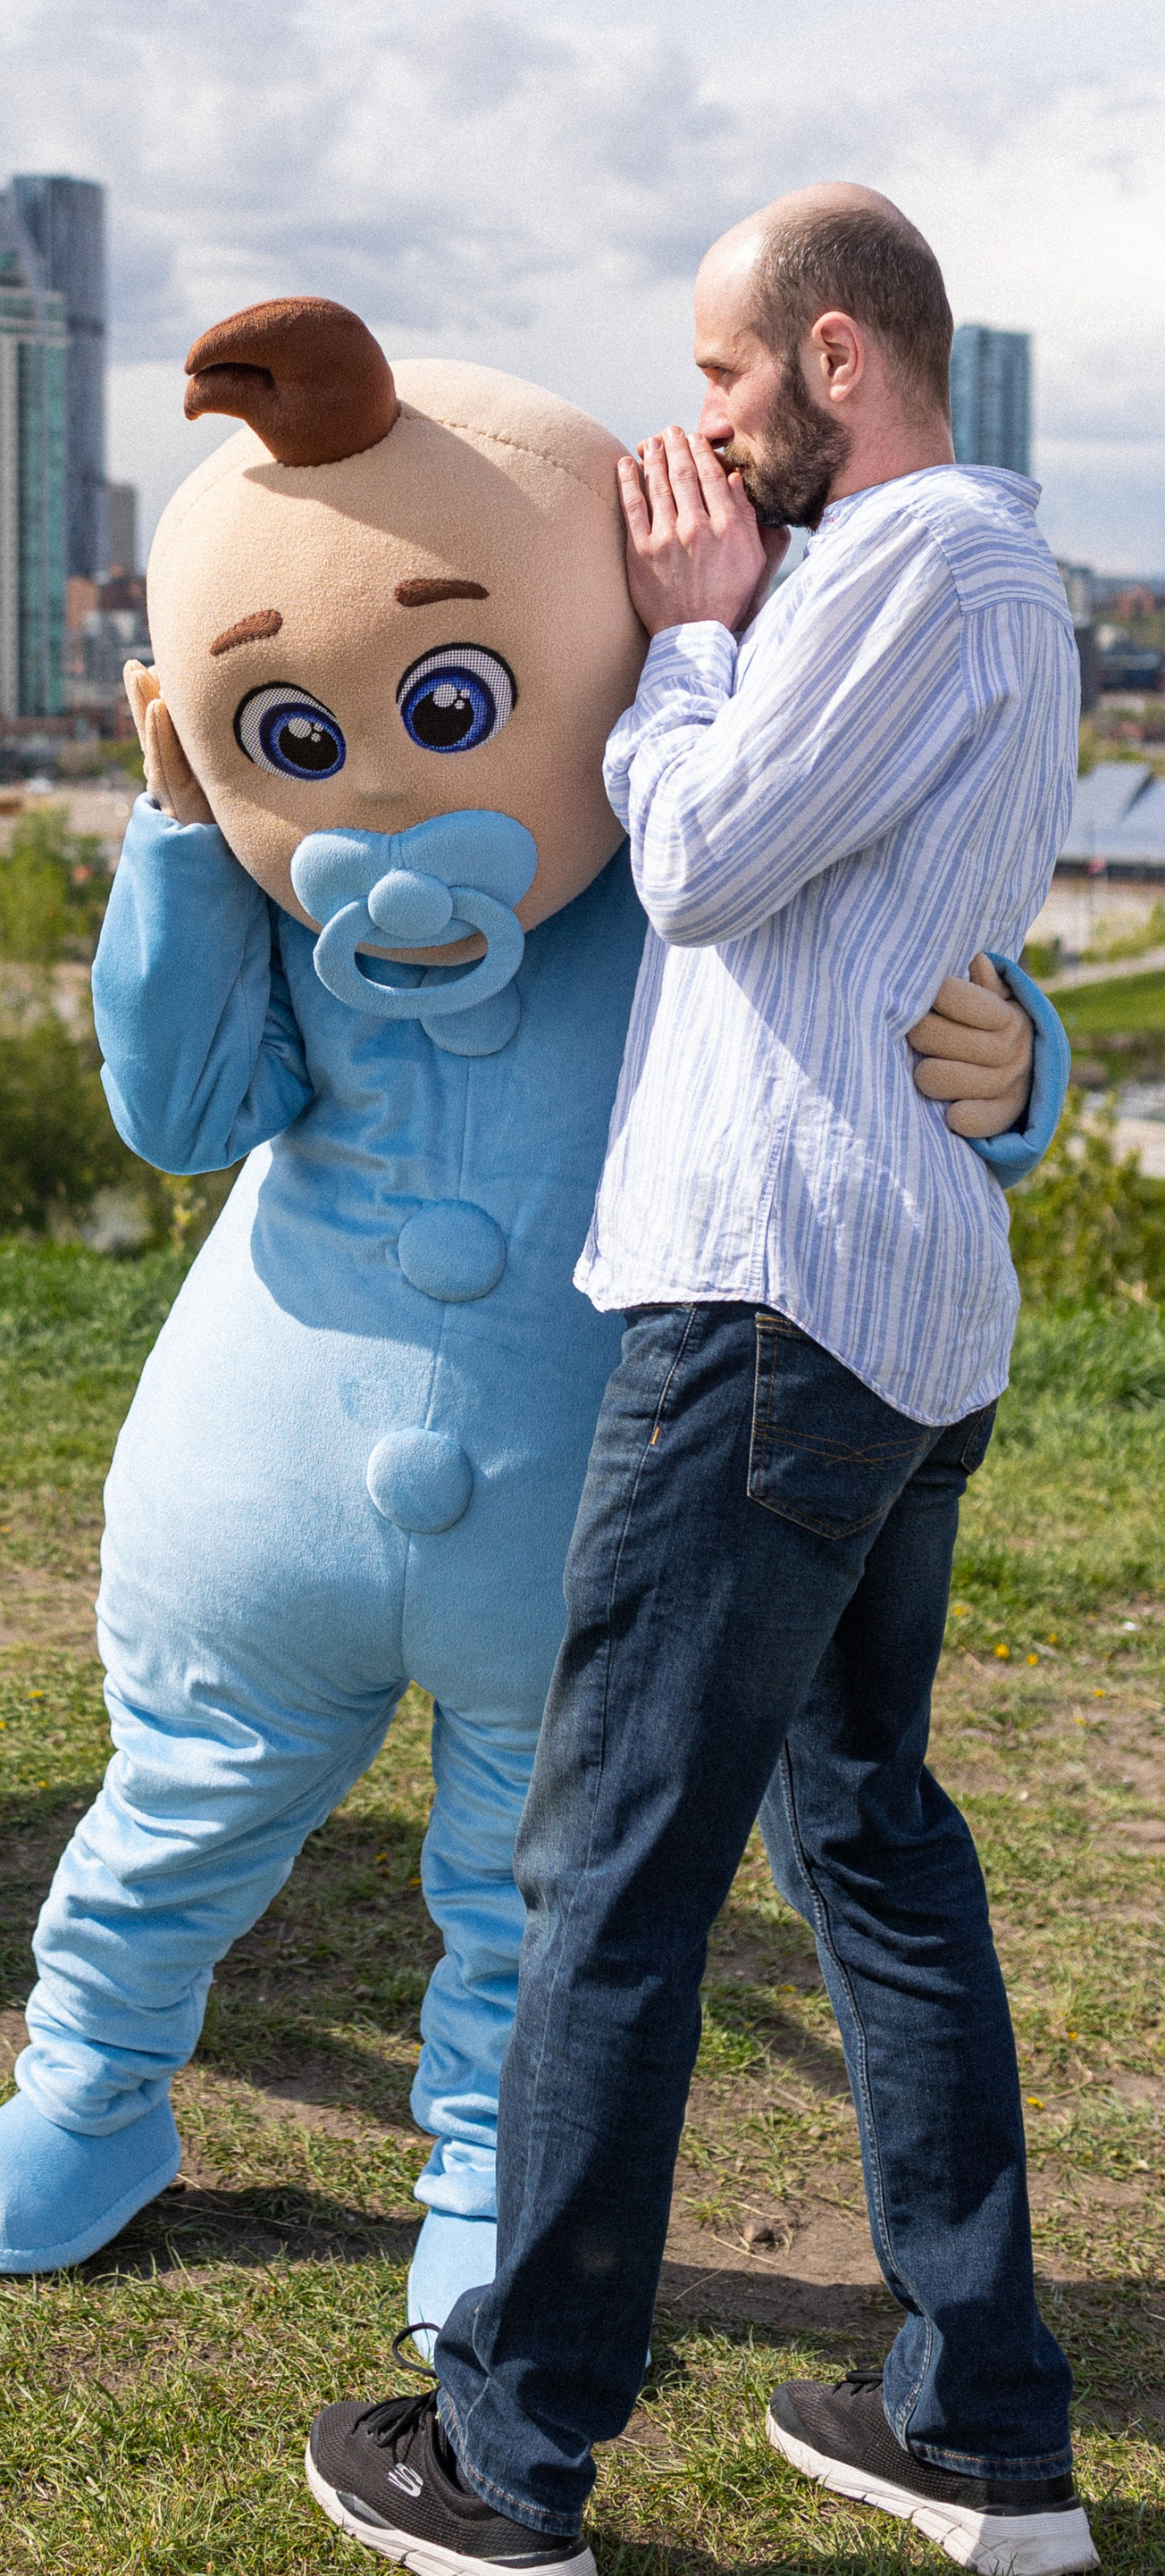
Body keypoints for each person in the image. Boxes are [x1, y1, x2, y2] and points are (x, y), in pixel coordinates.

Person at [306, 188, 1094, 2576]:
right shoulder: (988, 573)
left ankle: (514, 2455)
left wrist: (679, 650)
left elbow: (718, 859)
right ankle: (981, 2427)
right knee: (867, 1833)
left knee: (618, 1875)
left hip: (774, 1306)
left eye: (727, 376)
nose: (707, 429)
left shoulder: (907, 566)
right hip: (893, 1303)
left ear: (837, 356)